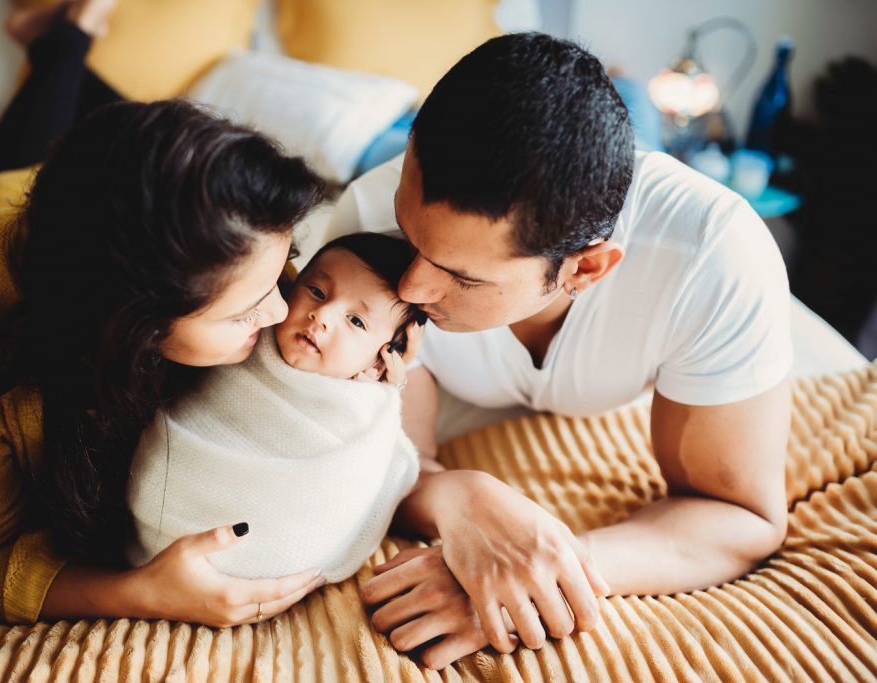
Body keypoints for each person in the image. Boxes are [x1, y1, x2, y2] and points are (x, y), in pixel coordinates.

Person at [0, 0, 352, 626]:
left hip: (88, 192)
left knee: (87, 141)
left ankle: (64, 40)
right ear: (134, 329)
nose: (281, 310)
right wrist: (141, 593)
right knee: (17, 162)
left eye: (282, 271)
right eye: (243, 313)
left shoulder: (238, 253)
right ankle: (61, 36)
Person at [331, 33, 791, 669]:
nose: (408, 288)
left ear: (587, 269)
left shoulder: (714, 254)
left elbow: (741, 515)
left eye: (461, 277)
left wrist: (542, 571)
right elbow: (384, 461)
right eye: (410, 238)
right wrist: (464, 497)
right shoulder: (363, 221)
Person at [127, 233, 425, 584]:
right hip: (165, 511)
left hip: (259, 551)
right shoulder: (244, 340)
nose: (322, 315)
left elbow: (367, 479)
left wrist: (387, 393)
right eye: (316, 291)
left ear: (380, 359)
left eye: (356, 321)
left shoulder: (364, 410)